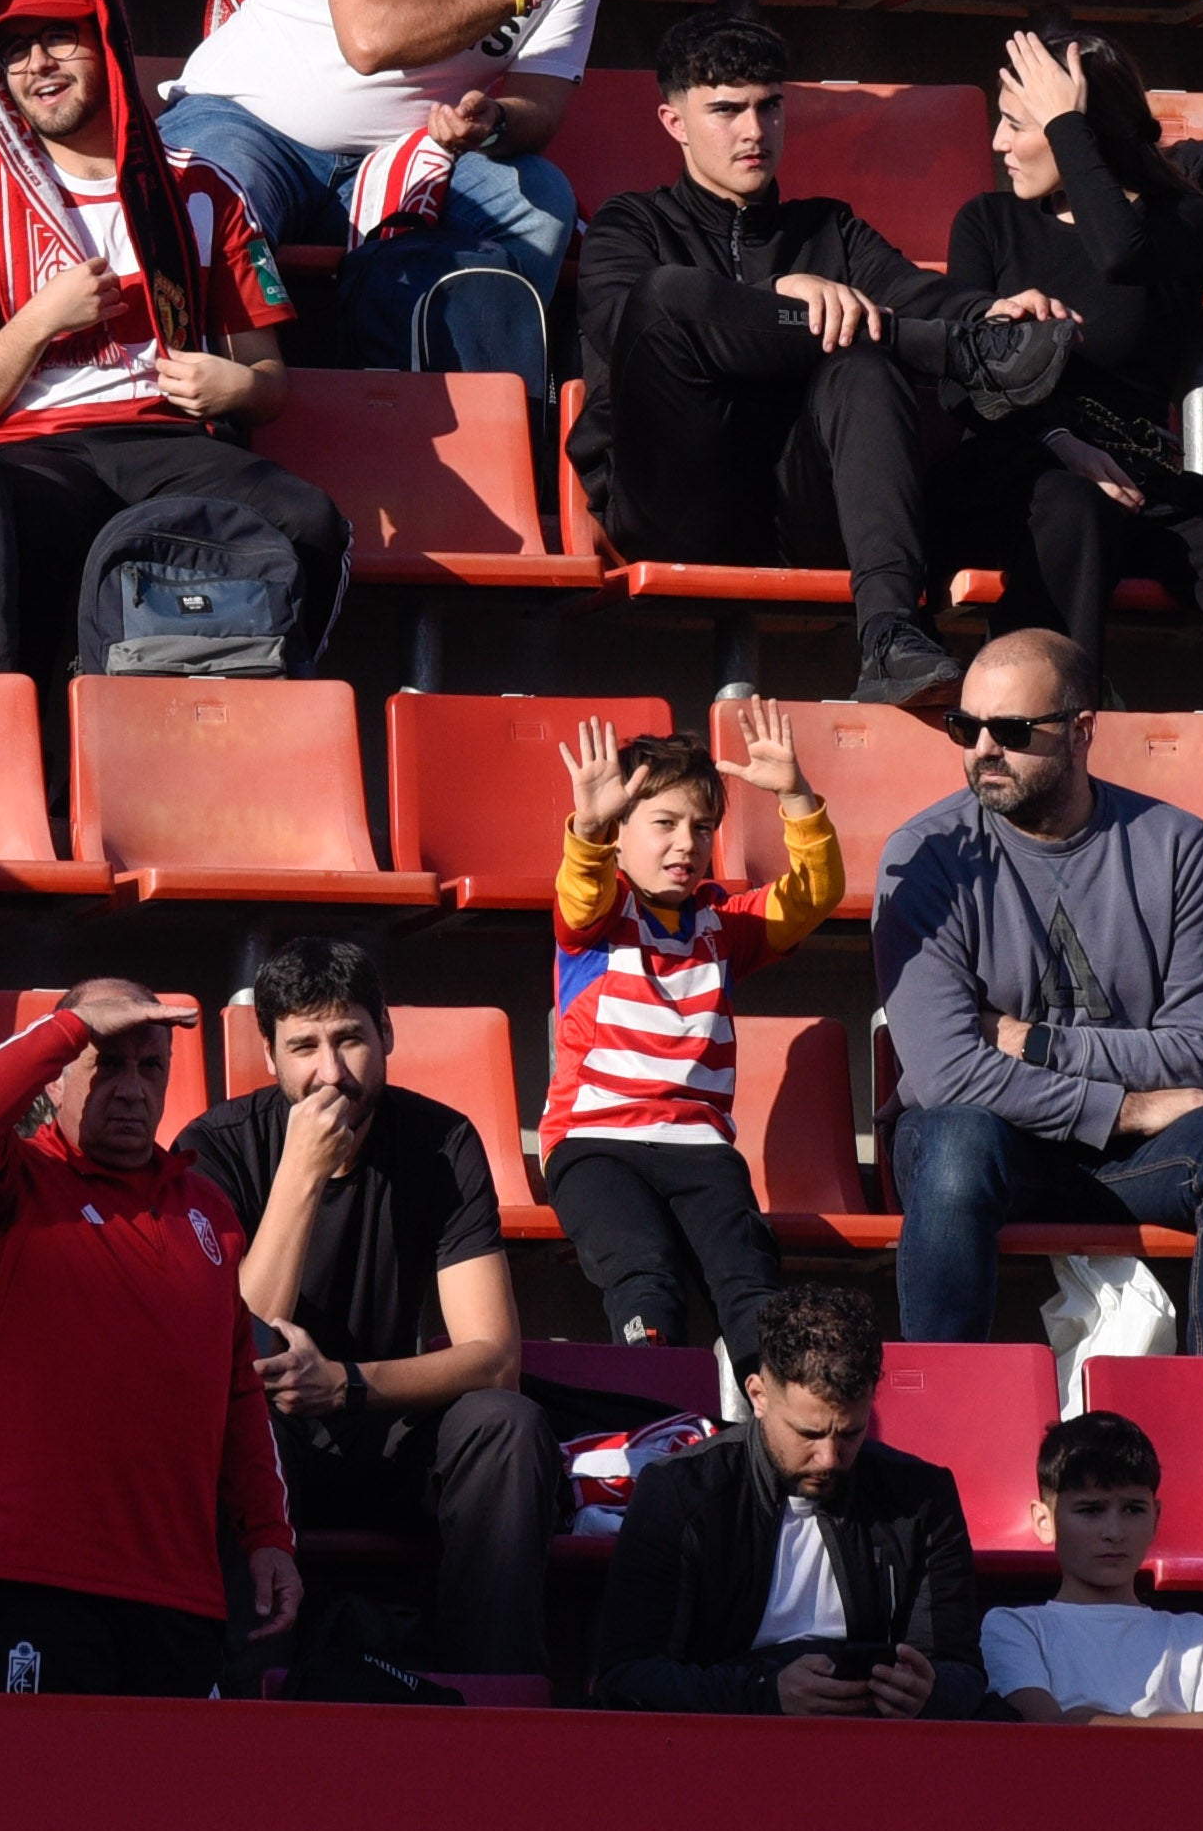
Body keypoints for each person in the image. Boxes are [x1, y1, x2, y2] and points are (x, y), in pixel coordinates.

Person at [566, 7, 1057, 710]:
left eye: (769, 109)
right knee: (666, 297)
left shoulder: (829, 227)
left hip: (803, 506)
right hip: (677, 499)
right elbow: (626, 336)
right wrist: (779, 298)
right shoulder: (631, 224)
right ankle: (952, 354)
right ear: (674, 123)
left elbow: (921, 293)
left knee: (862, 363)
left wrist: (992, 315)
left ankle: (890, 637)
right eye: (726, 110)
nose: (752, 131)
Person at [0, 0, 343, 678]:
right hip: (36, 451)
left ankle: (274, 738)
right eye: (14, 51)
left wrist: (236, 388)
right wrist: (38, 322)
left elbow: (269, 380)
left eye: (58, 37)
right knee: (0, 532)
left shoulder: (203, 188)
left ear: (107, 44)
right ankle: (30, 771)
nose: (37, 64)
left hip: (174, 445)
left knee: (312, 522)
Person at [873, 630, 1203, 1356]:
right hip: (988, 1145)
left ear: (1082, 730)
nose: (981, 750)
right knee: (957, 1141)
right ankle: (939, 1416)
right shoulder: (925, 855)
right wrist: (1126, 1108)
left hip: (1128, 1160)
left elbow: (1192, 1053)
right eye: (964, 727)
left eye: (1010, 731)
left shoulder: (1176, 844)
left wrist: (1032, 1042)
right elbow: (949, 1076)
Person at [156, 0, 630, 384]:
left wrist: (491, 123)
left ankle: (464, 415)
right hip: (252, 121)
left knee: (539, 200)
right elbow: (369, 38)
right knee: (198, 205)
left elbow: (540, 106)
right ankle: (201, 422)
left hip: (397, 156)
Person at [936, 28, 1203, 717]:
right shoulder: (989, 222)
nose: (998, 145)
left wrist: (1067, 122)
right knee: (1073, 506)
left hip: (1136, 478)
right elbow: (959, 374)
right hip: (1023, 467)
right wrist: (1057, 441)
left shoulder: (1180, 219)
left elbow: (1120, 258)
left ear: (1084, 136)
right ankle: (1040, 735)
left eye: (1016, 124)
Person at [183, 931, 552, 1683]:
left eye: (349, 1038)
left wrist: (347, 1385)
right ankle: (254, 1702)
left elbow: (495, 1358)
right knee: (229, 1432)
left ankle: (491, 1700)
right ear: (269, 1056)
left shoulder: (441, 1141)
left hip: (386, 1424)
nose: (330, 1072)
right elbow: (240, 1347)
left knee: (506, 1426)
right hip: (269, 1436)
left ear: (385, 1034)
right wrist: (301, 1174)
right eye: (304, 1047)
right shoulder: (215, 1149)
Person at [0, 981, 299, 1695]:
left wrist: (269, 1538)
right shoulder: (12, 1186)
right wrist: (70, 1028)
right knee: (43, 1805)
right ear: (57, 1077)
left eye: (149, 1067)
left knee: (168, 1808)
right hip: (38, 1578)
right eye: (107, 1063)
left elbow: (238, 1392)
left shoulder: (210, 1214)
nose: (131, 1090)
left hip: (180, 1591)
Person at [537, 703, 834, 1369]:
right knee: (644, 1274)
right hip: (596, 1144)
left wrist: (794, 797)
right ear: (619, 834)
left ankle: (772, 1424)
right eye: (664, 824)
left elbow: (814, 895)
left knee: (751, 1283)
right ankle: (657, 1420)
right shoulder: (601, 916)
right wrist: (586, 827)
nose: (686, 844)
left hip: (699, 1148)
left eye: (702, 828)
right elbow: (580, 890)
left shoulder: (723, 923)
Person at [587, 1281, 982, 1718]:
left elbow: (960, 1671)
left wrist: (928, 1692)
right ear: (757, 1395)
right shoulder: (681, 1491)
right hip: (724, 1749)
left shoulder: (922, 1497)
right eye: (809, 1434)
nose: (830, 1458)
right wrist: (765, 1695)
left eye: (851, 1432)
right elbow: (625, 1677)